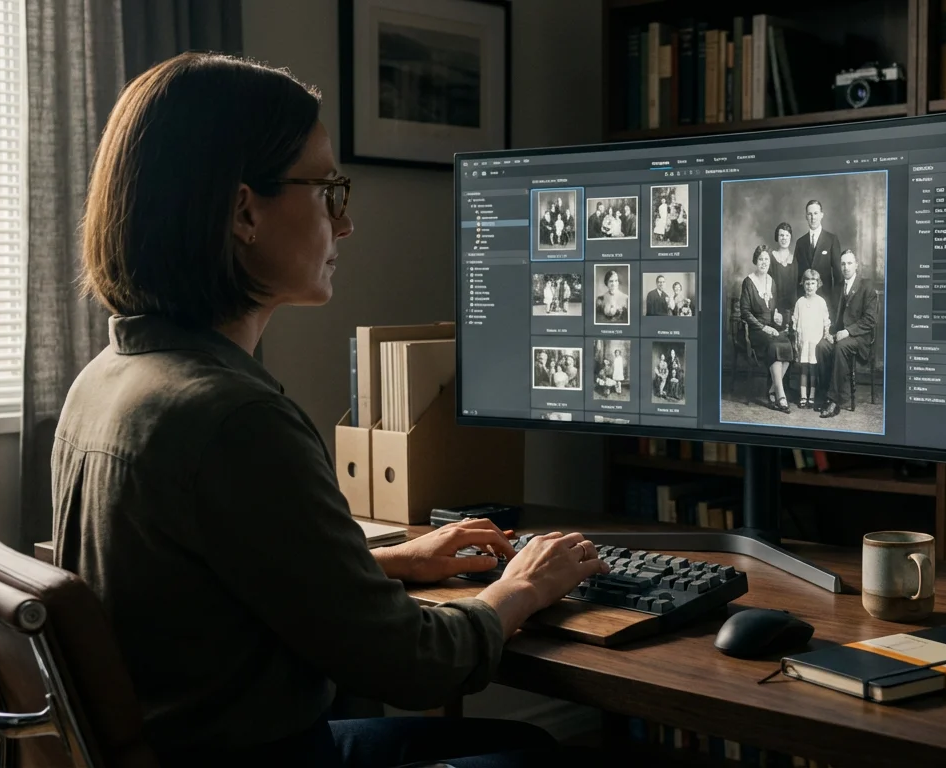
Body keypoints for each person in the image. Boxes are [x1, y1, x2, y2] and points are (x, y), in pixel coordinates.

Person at [59, 53, 609, 768]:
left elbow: (215, 585)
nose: (344, 225)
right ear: (244, 211)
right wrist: (522, 587)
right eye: (326, 191)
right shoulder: (233, 420)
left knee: (517, 742)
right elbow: (412, 667)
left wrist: (385, 563)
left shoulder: (110, 379)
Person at [815, 250, 879, 418]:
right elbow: (833, 317)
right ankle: (824, 395)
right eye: (843, 264)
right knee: (822, 346)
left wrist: (848, 331)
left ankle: (834, 400)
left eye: (849, 263)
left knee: (841, 347)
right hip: (840, 334)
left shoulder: (866, 286)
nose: (846, 267)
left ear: (856, 265)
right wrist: (828, 332)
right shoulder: (838, 288)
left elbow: (870, 320)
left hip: (859, 338)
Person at [739, 245, 793, 412]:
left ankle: (771, 390)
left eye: (766, 259)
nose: (764, 262)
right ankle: (781, 396)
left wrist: (777, 318)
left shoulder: (772, 281)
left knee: (788, 345)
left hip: (771, 328)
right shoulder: (748, 282)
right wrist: (764, 328)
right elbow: (745, 313)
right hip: (756, 331)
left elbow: (773, 309)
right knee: (775, 346)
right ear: (756, 261)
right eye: (761, 259)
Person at [790, 268, 830, 408]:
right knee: (803, 369)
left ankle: (811, 396)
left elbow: (826, 320)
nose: (809, 286)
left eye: (813, 283)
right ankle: (803, 396)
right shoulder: (800, 302)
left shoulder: (821, 302)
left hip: (815, 341)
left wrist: (826, 333)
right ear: (803, 284)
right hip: (804, 340)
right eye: (807, 283)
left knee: (813, 369)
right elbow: (795, 322)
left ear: (817, 284)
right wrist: (796, 340)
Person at [796, 200, 841, 305]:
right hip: (804, 300)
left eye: (816, 213)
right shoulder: (800, 242)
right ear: (806, 216)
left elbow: (838, 276)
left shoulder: (832, 240)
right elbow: (797, 276)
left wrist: (834, 302)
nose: (813, 217)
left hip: (825, 300)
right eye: (810, 214)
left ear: (821, 215)